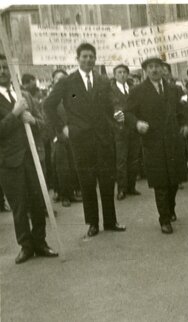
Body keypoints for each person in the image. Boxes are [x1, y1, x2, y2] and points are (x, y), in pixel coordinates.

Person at [44, 43, 126, 237]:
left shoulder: (103, 81)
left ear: (95, 59)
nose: (88, 60)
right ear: (77, 59)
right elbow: (48, 105)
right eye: (84, 56)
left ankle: (110, 221)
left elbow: (111, 105)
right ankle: (92, 223)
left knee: (107, 181)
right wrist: (63, 128)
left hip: (103, 139)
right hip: (80, 140)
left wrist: (117, 115)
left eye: (91, 57)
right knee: (87, 182)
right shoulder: (67, 82)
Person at [0, 54, 58, 264]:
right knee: (19, 206)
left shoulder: (24, 95)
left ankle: (40, 241)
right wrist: (15, 114)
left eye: (5, 67)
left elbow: (45, 124)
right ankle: (26, 246)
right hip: (9, 162)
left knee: (38, 202)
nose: (2, 71)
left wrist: (32, 120)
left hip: (33, 158)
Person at [125, 57, 188, 234]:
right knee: (160, 181)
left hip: (173, 140)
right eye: (150, 67)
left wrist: (184, 125)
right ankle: (164, 219)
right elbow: (128, 113)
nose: (154, 70)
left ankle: (170, 207)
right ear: (145, 70)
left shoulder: (173, 89)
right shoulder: (138, 90)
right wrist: (137, 123)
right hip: (152, 141)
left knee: (174, 180)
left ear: (163, 69)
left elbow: (182, 111)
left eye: (157, 67)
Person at [50, 69, 81, 207]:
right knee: (62, 169)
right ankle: (64, 196)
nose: (61, 81)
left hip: (73, 136)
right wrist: (57, 135)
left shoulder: (72, 95)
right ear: (53, 81)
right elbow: (48, 118)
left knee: (73, 166)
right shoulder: (51, 97)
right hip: (59, 138)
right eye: (58, 79)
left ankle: (72, 193)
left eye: (63, 78)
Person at [111, 64, 141, 201]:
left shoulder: (133, 90)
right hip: (120, 129)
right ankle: (121, 189)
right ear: (115, 74)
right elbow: (109, 107)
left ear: (128, 74)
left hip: (133, 128)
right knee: (121, 160)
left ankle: (131, 186)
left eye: (124, 72)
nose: (122, 75)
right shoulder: (111, 90)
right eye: (119, 72)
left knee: (134, 158)